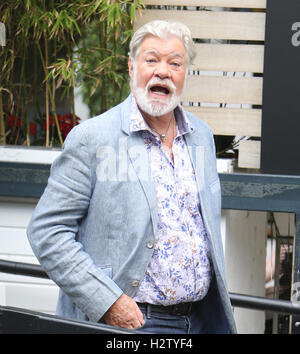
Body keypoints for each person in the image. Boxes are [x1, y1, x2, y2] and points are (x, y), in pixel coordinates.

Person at [27, 20, 236, 334]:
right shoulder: (93, 138)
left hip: (202, 320)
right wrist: (107, 301)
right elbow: (47, 232)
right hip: (134, 323)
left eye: (175, 63)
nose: (162, 71)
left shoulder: (201, 136)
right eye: (151, 60)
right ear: (131, 67)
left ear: (185, 74)